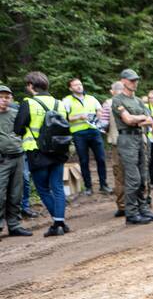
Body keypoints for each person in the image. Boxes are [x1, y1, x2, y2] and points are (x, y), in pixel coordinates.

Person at [16, 71, 71, 237]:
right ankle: (60, 222)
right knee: (58, 187)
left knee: (43, 189)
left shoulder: (29, 103)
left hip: (36, 151)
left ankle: (58, 223)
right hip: (58, 150)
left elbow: (17, 128)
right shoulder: (60, 103)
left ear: (31, 86)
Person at [112, 69, 153, 225]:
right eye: (132, 80)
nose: (135, 83)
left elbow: (151, 120)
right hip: (126, 139)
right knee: (133, 178)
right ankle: (131, 213)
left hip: (140, 138)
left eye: (136, 80)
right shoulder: (118, 100)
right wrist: (140, 118)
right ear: (123, 81)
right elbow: (127, 120)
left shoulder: (139, 101)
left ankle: (143, 209)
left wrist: (139, 119)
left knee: (143, 177)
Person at [60, 77, 110, 195]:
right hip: (78, 133)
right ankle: (88, 187)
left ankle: (104, 185)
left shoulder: (91, 99)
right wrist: (79, 117)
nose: (79, 86)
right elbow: (64, 118)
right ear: (70, 88)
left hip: (94, 131)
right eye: (76, 85)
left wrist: (98, 114)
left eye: (80, 84)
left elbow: (100, 111)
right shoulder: (66, 101)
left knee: (101, 158)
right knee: (84, 160)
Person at [0, 84, 32, 238]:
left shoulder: (15, 113)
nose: (3, 100)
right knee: (0, 194)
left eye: (6, 97)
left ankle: (14, 225)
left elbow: (24, 130)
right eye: (0, 97)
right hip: (2, 160)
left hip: (18, 157)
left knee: (16, 194)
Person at [103, 81, 127, 217]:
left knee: (119, 175)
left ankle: (122, 205)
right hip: (134, 141)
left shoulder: (108, 104)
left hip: (116, 142)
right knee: (135, 172)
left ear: (112, 91)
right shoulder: (132, 101)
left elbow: (103, 124)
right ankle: (141, 202)